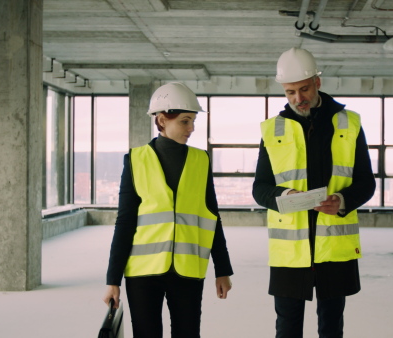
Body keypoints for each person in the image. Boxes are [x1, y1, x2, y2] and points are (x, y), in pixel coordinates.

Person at [252, 47, 376, 338]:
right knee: (287, 329)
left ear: (317, 82)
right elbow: (260, 189)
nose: (298, 98)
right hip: (290, 251)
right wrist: (283, 197)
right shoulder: (273, 129)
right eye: (290, 92)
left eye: (304, 89)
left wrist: (342, 201)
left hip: (333, 247)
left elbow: (366, 183)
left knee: (331, 327)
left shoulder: (349, 123)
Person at [103, 82, 233, 338]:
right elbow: (125, 222)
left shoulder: (201, 160)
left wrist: (223, 269)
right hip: (142, 272)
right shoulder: (135, 160)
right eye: (185, 121)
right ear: (162, 120)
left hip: (188, 269)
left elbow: (212, 217)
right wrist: (113, 280)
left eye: (193, 121)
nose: (192, 128)